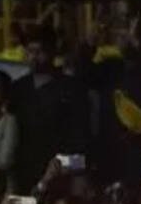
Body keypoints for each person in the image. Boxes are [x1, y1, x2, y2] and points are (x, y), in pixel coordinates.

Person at [9, 26, 90, 194]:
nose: (34, 57)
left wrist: (72, 169)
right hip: (23, 175)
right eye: (30, 51)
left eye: (40, 51)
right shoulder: (18, 89)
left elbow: (81, 145)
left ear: (53, 52)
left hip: (58, 177)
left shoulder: (71, 89)